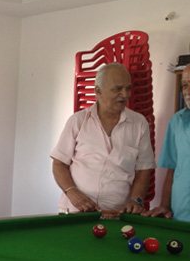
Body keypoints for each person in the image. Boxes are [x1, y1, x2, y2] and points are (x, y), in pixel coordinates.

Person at [51, 63, 155, 213]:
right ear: (98, 91)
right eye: (118, 89)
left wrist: (136, 199)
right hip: (75, 211)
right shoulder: (78, 121)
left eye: (128, 88)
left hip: (118, 214)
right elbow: (59, 163)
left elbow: (143, 169)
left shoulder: (139, 124)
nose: (125, 95)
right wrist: (72, 192)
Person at [142, 64, 190, 222]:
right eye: (185, 85)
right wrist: (164, 205)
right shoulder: (177, 121)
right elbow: (172, 168)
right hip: (181, 218)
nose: (188, 91)